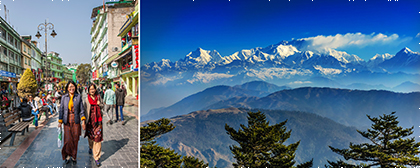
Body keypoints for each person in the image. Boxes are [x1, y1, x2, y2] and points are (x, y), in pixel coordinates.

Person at [58, 81, 86, 165]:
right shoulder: (64, 97)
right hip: (67, 121)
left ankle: (74, 155)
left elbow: (82, 110)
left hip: (76, 121)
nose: (71, 88)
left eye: (73, 86)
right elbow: (61, 110)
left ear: (75, 87)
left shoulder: (78, 97)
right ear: (67, 88)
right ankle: (67, 155)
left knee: (75, 139)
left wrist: (83, 120)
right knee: (67, 139)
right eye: (70, 87)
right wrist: (60, 121)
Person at [84, 84, 103, 167]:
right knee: (91, 137)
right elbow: (84, 111)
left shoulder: (98, 97)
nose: (92, 90)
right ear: (88, 90)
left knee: (98, 139)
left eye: (93, 89)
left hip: (98, 121)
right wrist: (83, 122)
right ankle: (90, 147)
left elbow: (103, 106)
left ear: (95, 90)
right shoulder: (86, 100)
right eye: (90, 89)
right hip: (90, 122)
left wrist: (99, 104)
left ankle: (96, 157)